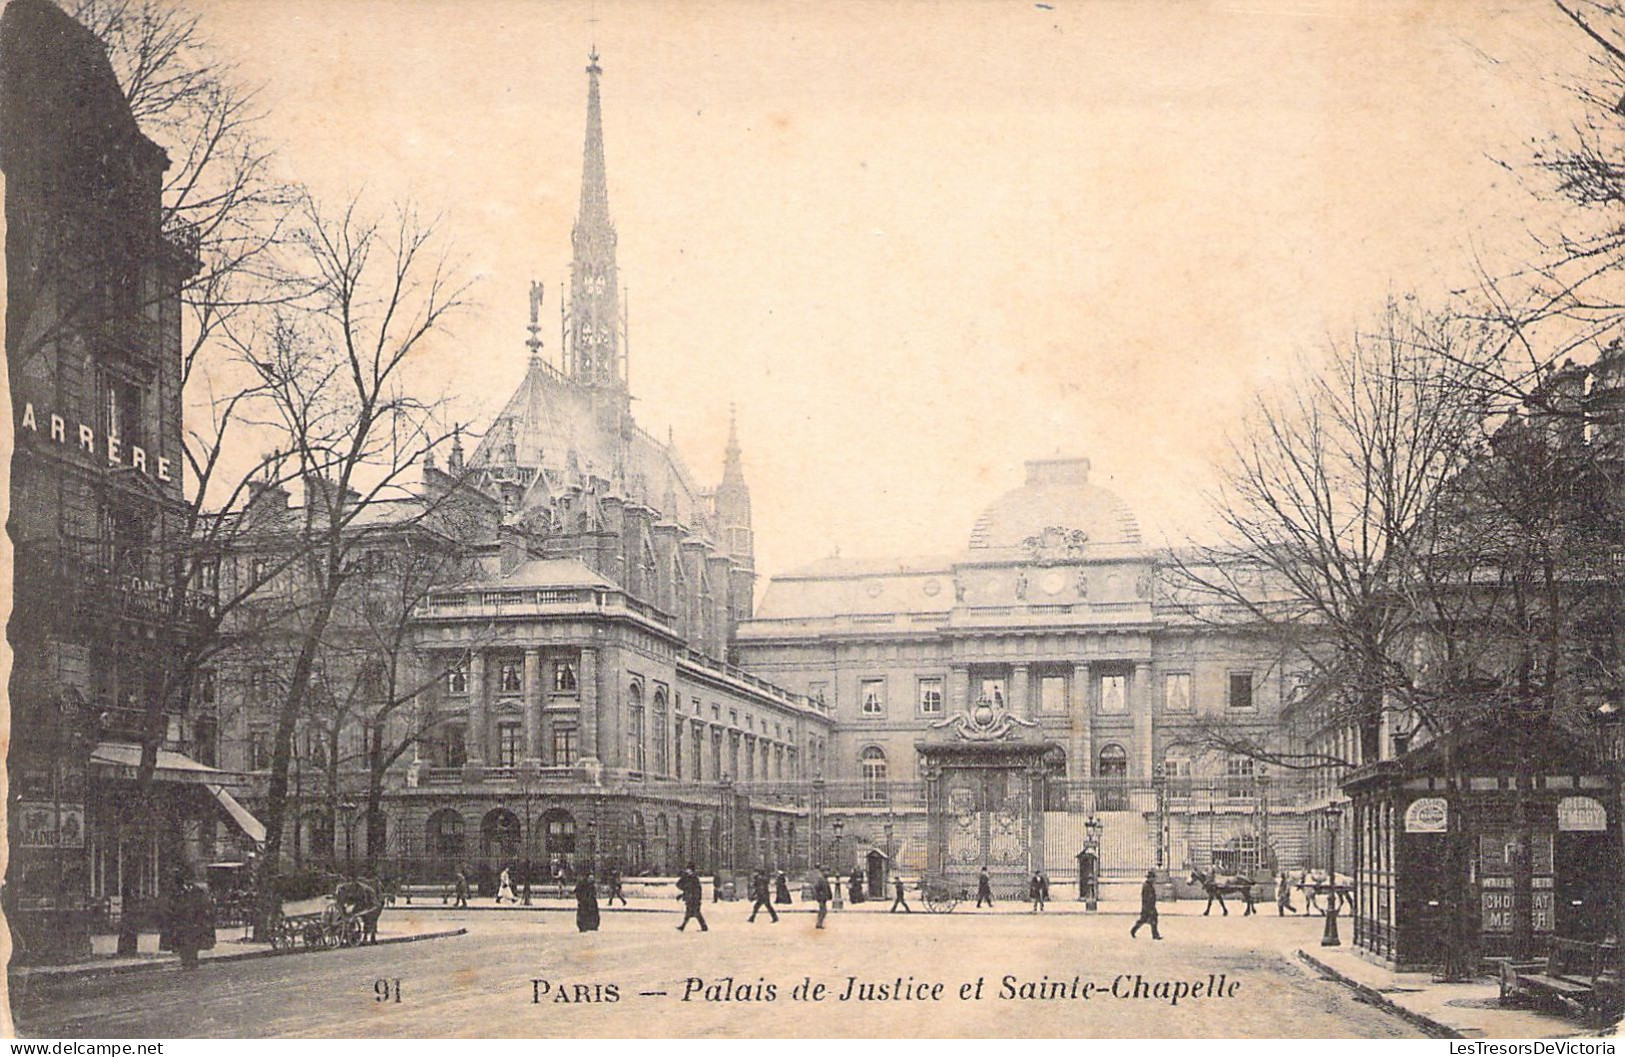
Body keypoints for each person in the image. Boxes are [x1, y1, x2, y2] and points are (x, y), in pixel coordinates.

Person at [166, 872, 214, 970]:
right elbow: (173, 905)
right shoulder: (177, 891)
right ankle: (185, 961)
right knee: (183, 941)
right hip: (182, 919)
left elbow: (203, 905)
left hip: (194, 919)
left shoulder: (197, 890)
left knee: (194, 941)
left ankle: (193, 961)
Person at [1130, 869, 1163, 940]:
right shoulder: (1146, 886)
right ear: (1150, 878)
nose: (1154, 880)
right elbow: (1146, 898)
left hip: (1151, 906)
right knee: (1143, 920)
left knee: (1154, 920)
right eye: (1153, 878)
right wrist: (1148, 907)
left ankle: (1155, 935)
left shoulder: (1150, 885)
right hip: (1147, 907)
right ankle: (1133, 930)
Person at [676, 864, 708, 932]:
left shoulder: (691, 877)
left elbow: (689, 888)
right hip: (693, 898)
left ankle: (703, 926)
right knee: (693, 913)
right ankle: (683, 926)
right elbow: (692, 889)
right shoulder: (693, 878)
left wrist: (684, 894)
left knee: (694, 913)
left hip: (693, 898)